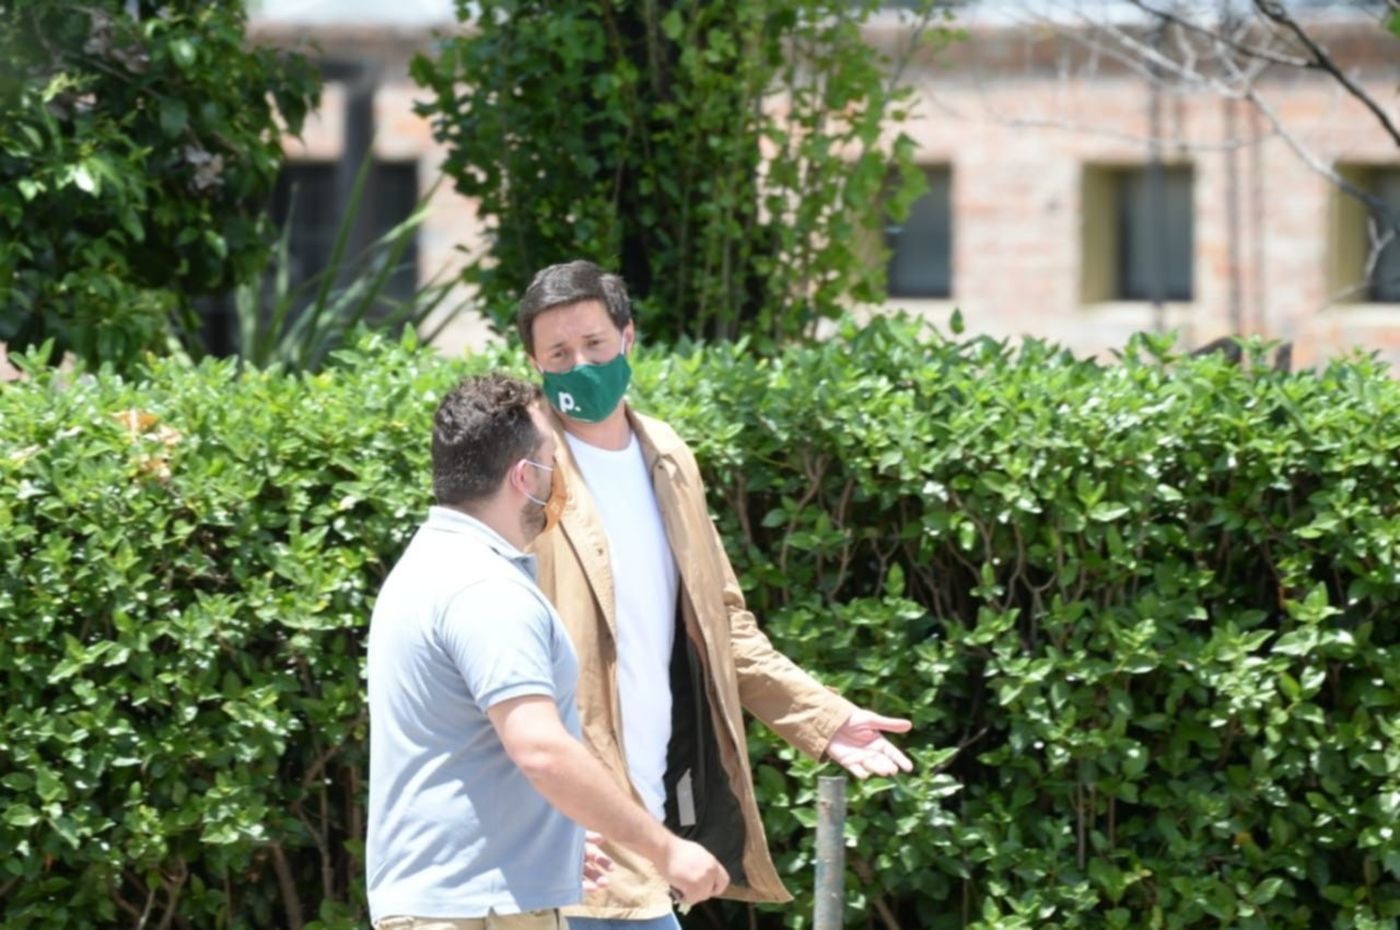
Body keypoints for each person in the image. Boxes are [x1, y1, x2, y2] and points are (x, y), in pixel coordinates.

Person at [517, 261, 915, 930]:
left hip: (648, 819)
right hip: (567, 836)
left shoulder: (667, 457)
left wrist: (821, 718)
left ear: (629, 340)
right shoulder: (523, 472)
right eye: (558, 353)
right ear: (533, 360)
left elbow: (720, 623)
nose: (580, 365)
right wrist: (526, 811)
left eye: (595, 345)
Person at [365, 373, 729, 930]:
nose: (561, 479)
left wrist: (547, 836)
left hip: (456, 901)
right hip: (480, 913)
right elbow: (540, 748)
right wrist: (667, 850)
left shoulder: (428, 565)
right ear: (525, 476)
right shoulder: (485, 588)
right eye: (552, 460)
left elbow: (459, 746)